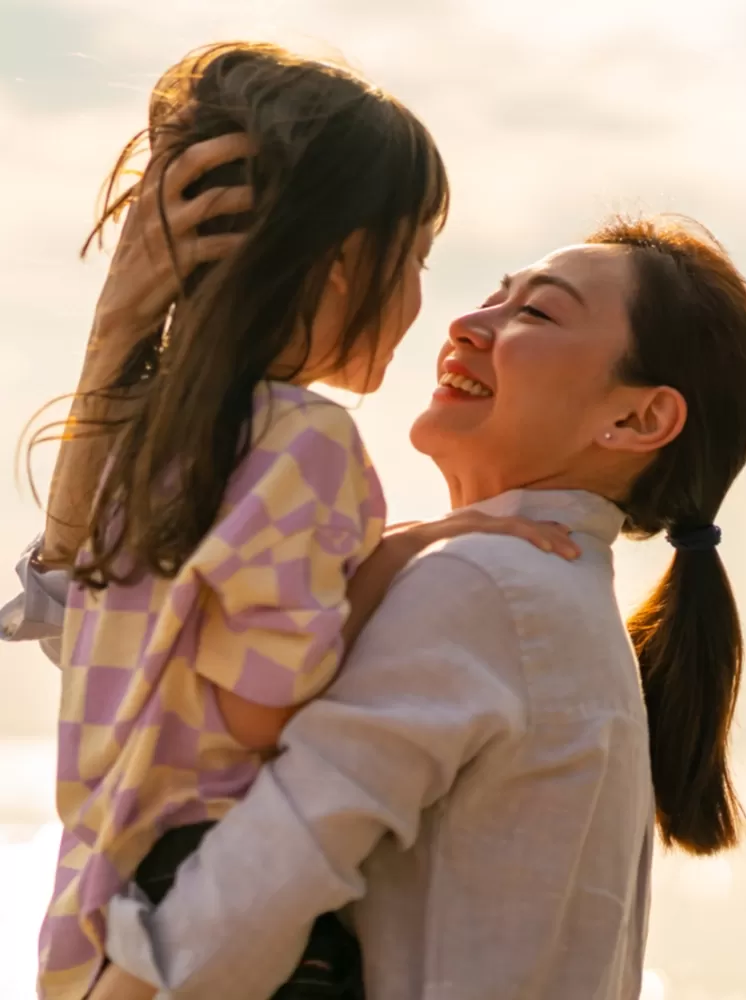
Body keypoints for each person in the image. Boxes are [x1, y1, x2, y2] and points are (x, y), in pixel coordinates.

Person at [6, 196, 746, 998]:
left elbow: (260, 881)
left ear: (638, 416)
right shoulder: (524, 588)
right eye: (495, 293)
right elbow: (142, 677)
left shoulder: (488, 586)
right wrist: (114, 340)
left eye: (538, 313)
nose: (470, 323)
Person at [14, 42, 578, 1000]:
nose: (423, 304)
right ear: (341, 267)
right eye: (415, 261)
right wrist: (407, 556)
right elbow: (262, 707)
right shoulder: (309, 447)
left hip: (101, 905)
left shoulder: (148, 443)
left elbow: (100, 634)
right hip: (221, 910)